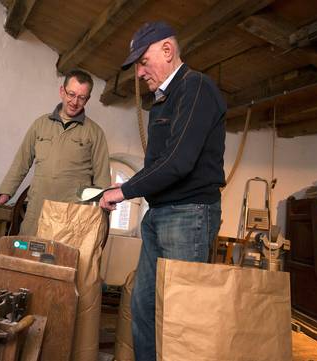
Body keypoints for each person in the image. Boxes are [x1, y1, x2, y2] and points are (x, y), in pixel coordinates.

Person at [99, 22, 226, 361]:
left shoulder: (195, 88)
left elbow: (178, 162)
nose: (139, 72)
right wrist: (125, 186)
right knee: (144, 306)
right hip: (160, 214)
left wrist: (125, 191)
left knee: (179, 316)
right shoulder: (161, 103)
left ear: (167, 51)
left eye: (143, 61)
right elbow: (159, 164)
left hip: (189, 215)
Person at [0, 69, 111, 235]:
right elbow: (21, 162)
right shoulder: (40, 124)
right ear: (62, 91)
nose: (74, 101)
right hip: (37, 208)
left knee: (61, 259)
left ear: (88, 99)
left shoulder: (95, 132)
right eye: (71, 94)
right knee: (26, 255)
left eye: (81, 97)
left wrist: (102, 214)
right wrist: (6, 193)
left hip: (71, 215)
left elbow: (102, 177)